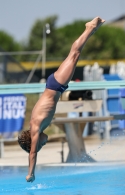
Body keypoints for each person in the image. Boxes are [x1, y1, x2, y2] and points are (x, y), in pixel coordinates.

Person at [18, 16, 105, 183]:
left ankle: (89, 28)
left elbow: (33, 153)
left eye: (40, 145)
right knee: (74, 55)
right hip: (56, 86)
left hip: (55, 85)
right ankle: (91, 29)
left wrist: (31, 173)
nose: (42, 145)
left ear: (32, 140)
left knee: (74, 54)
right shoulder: (37, 125)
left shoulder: (35, 128)